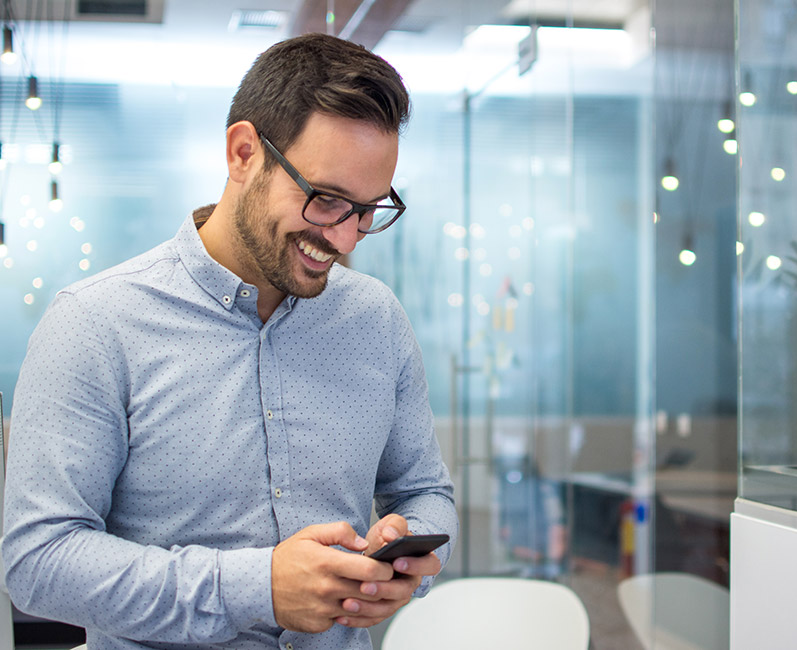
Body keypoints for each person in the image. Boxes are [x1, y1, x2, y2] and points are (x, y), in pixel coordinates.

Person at [1, 32, 457, 650]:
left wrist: (405, 561)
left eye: (369, 209)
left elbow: (425, 492)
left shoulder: (377, 319)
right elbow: (37, 561)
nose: (347, 239)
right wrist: (256, 586)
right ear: (244, 153)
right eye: (326, 201)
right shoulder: (94, 324)